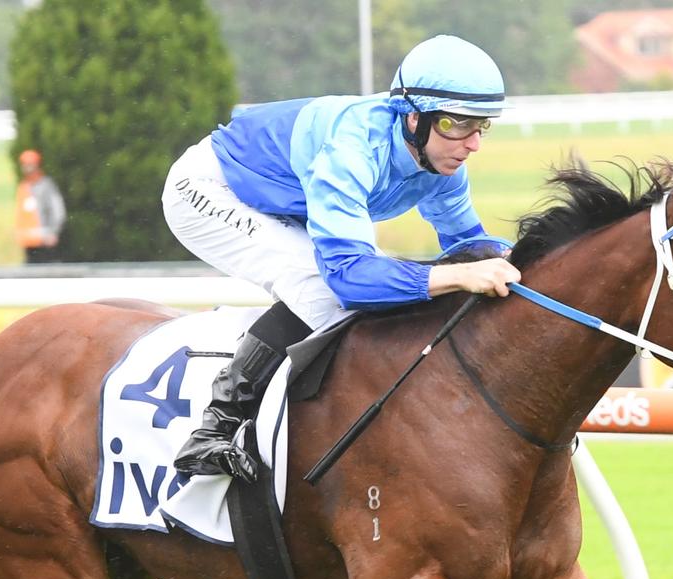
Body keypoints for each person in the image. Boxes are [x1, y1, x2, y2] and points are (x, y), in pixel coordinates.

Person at [163, 34, 521, 480]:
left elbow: (470, 244)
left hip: (286, 202)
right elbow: (349, 278)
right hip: (210, 189)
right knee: (321, 287)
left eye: (480, 126)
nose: (472, 145)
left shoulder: (441, 165)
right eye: (456, 125)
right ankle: (216, 428)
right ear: (413, 119)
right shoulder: (354, 148)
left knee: (380, 280)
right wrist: (457, 277)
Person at [15, 149, 67, 263]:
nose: (27, 168)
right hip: (28, 242)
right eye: (25, 165)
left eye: (30, 165)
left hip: (44, 242)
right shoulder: (23, 187)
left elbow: (58, 210)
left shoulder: (46, 185)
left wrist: (53, 232)